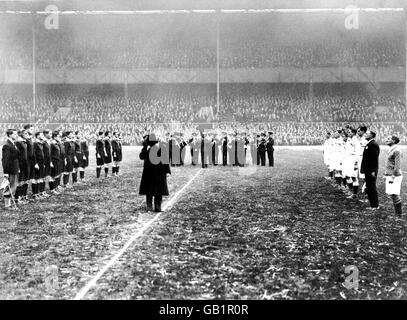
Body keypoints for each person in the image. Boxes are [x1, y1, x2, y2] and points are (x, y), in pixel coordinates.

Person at [139, 133, 171, 212]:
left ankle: (150, 206)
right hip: (158, 172)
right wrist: (167, 171)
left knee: (149, 189)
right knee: (158, 190)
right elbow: (166, 159)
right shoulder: (160, 147)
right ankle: (157, 206)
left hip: (150, 172)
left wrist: (145, 147)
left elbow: (141, 156)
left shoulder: (150, 148)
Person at [360, 130, 380, 210]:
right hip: (368, 169)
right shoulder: (369, 144)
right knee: (369, 187)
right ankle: (373, 205)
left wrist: (373, 170)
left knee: (371, 187)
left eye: (367, 134)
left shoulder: (373, 144)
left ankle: (375, 205)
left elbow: (374, 159)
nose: (365, 135)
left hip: (371, 170)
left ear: (371, 135)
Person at [384, 135, 403, 217]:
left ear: (394, 141)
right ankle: (397, 214)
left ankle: (398, 215)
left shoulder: (397, 150)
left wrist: (393, 176)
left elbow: (397, 166)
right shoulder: (391, 149)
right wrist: (385, 174)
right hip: (390, 174)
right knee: (392, 194)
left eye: (389, 139)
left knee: (395, 194)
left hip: (394, 175)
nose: (386, 140)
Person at [2, 129, 20, 210]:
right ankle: (7, 205)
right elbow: (5, 159)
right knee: (10, 186)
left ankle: (9, 204)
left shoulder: (13, 144)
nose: (16, 135)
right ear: (10, 135)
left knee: (13, 186)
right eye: (15, 134)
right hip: (10, 169)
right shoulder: (7, 145)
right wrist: (5, 172)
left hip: (15, 168)